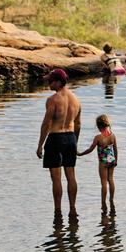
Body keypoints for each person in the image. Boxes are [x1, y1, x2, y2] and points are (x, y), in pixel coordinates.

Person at [37, 68, 82, 216]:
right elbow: (78, 124)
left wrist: (40, 146)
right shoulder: (76, 100)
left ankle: (57, 210)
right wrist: (75, 142)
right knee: (71, 175)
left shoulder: (53, 100)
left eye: (50, 81)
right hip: (70, 138)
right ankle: (73, 208)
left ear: (58, 82)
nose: (48, 83)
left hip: (55, 138)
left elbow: (46, 124)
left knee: (56, 178)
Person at [78, 114, 118, 210]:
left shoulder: (98, 137)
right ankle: (111, 199)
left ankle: (103, 202)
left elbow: (90, 149)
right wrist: (116, 159)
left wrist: (80, 154)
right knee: (111, 180)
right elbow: (116, 149)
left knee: (103, 183)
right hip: (112, 159)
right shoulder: (112, 135)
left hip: (103, 161)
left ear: (99, 126)